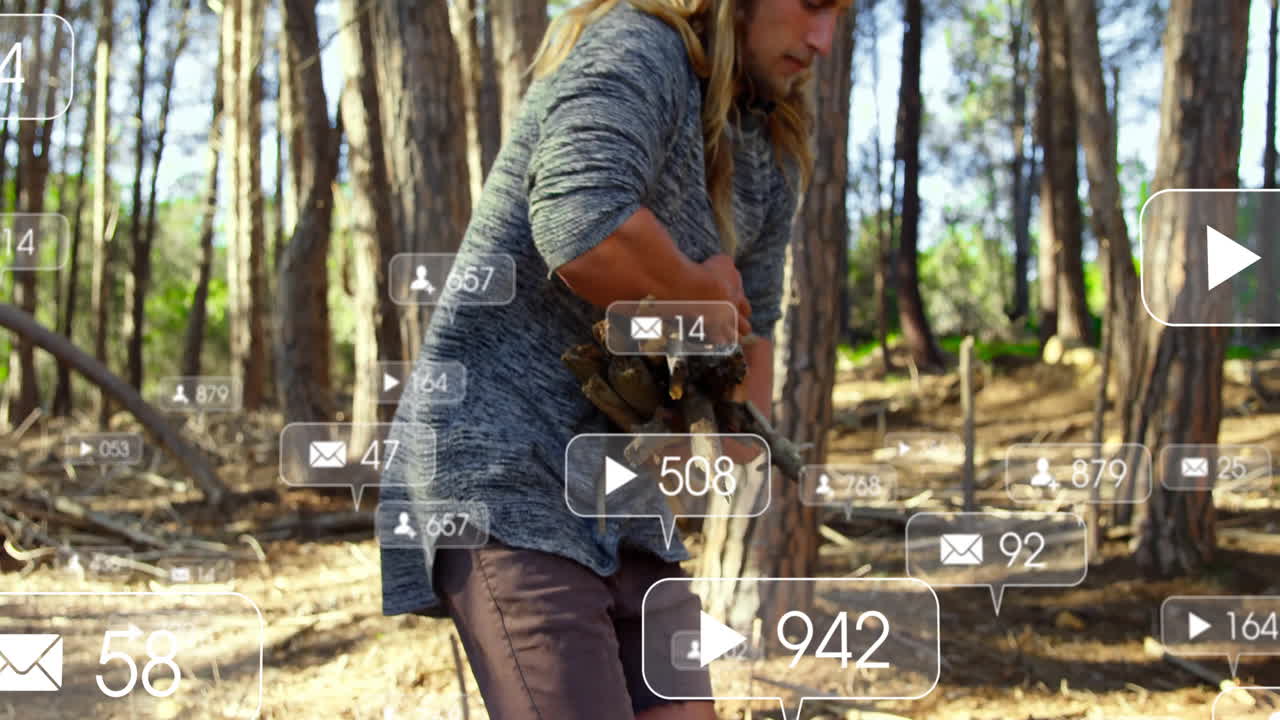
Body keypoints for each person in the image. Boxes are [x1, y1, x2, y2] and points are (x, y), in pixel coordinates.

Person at [379, 1, 845, 718]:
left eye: (841, 16)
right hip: (501, 462)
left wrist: (717, 387)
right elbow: (581, 223)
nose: (822, 40)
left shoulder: (771, 152)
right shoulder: (640, 45)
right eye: (813, 4)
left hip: (621, 493)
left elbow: (747, 387)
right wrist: (700, 300)